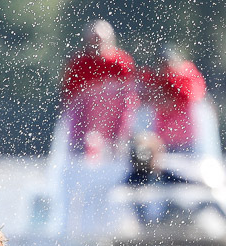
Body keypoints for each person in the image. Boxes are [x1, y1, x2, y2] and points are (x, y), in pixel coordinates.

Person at [59, 19, 137, 156]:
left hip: (115, 119)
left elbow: (129, 99)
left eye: (99, 40)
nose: (96, 44)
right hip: (85, 123)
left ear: (109, 40)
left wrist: (123, 129)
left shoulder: (121, 62)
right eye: (93, 40)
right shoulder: (79, 63)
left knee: (117, 151)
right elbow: (69, 99)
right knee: (81, 151)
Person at [139, 46, 207, 152]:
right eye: (162, 65)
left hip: (187, 141)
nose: (166, 68)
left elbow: (191, 96)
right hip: (163, 141)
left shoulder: (187, 77)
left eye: (168, 64)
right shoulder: (156, 80)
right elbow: (142, 97)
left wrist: (166, 94)